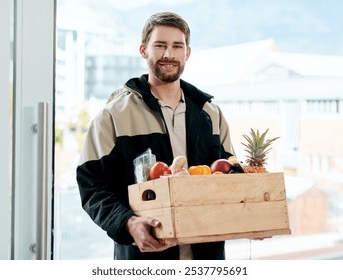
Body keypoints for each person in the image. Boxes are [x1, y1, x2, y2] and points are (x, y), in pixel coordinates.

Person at [76, 11, 235, 260]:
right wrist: (127, 223)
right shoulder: (114, 115)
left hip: (208, 258)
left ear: (187, 53)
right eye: (160, 45)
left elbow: (230, 176)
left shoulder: (210, 114)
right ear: (143, 50)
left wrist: (250, 213)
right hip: (144, 259)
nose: (169, 54)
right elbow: (92, 185)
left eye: (177, 46)